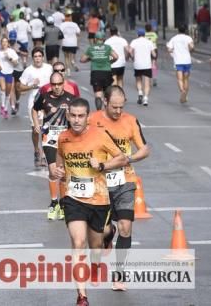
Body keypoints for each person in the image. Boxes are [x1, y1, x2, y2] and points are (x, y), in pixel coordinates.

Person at [49, 98, 127, 306]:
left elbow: (122, 158)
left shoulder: (100, 135)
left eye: (80, 116)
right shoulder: (63, 138)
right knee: (77, 242)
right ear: (68, 116)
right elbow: (59, 166)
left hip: (98, 200)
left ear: (87, 117)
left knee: (96, 247)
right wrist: (55, 170)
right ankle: (82, 297)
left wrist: (102, 165)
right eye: (72, 115)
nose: (76, 120)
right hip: (73, 199)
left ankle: (97, 259)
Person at [89, 85, 150, 291]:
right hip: (100, 182)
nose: (118, 111)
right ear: (105, 102)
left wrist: (128, 159)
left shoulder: (130, 120)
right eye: (114, 107)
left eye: (121, 107)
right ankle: (108, 235)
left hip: (125, 180)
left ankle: (119, 274)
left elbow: (144, 149)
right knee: (104, 230)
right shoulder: (92, 119)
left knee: (126, 226)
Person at [32, 68, 75, 220]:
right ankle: (53, 202)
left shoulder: (71, 98)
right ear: (50, 85)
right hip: (49, 138)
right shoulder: (44, 97)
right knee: (52, 171)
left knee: (62, 174)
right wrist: (36, 123)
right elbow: (34, 109)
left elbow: (78, 118)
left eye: (59, 84)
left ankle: (62, 204)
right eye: (54, 84)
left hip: (65, 140)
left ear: (63, 83)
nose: (57, 87)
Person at [18, 47, 53, 167]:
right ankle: (36, 149)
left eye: (39, 56)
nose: (38, 59)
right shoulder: (28, 70)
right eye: (35, 56)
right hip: (34, 102)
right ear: (32, 58)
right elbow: (20, 87)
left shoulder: (49, 68)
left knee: (45, 128)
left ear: (43, 57)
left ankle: (43, 155)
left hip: (48, 102)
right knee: (35, 130)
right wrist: (32, 85)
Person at [80, 31, 118, 110]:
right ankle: (107, 111)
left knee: (98, 95)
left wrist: (90, 59)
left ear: (95, 39)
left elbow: (82, 59)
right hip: (107, 72)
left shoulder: (91, 48)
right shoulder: (107, 47)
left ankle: (99, 112)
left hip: (96, 73)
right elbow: (116, 56)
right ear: (103, 39)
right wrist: (110, 61)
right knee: (107, 94)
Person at [167, 24, 194, 104]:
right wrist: (190, 50)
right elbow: (192, 47)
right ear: (185, 30)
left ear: (178, 30)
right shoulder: (188, 38)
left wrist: (172, 51)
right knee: (186, 79)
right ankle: (185, 94)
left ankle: (182, 91)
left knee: (179, 79)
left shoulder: (174, 39)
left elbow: (169, 49)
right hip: (187, 61)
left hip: (178, 61)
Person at [128, 28, 155, 106]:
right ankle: (145, 99)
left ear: (138, 34)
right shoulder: (149, 42)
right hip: (147, 65)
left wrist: (132, 57)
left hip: (137, 64)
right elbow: (154, 54)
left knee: (138, 80)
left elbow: (130, 51)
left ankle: (140, 92)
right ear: (144, 35)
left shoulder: (134, 41)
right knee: (147, 83)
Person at [0, 35, 19, 118]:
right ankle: (2, 106)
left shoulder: (11, 51)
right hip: (0, 72)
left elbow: (16, 63)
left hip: (9, 73)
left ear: (8, 43)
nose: (4, 43)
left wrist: (9, 58)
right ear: (1, 43)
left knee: (8, 93)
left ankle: (6, 109)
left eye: (6, 42)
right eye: (3, 42)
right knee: (3, 88)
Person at [59, 11, 81, 75]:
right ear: (71, 17)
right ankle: (73, 62)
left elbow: (60, 33)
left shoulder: (62, 24)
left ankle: (68, 70)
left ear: (65, 17)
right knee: (71, 56)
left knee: (66, 57)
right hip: (73, 43)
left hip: (65, 42)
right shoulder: (75, 24)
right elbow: (78, 33)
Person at [144, 23, 159, 87]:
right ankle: (154, 78)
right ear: (151, 28)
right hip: (154, 49)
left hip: (146, 50)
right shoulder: (154, 34)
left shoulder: (144, 35)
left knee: (147, 64)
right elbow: (156, 41)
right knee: (154, 64)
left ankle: (148, 78)